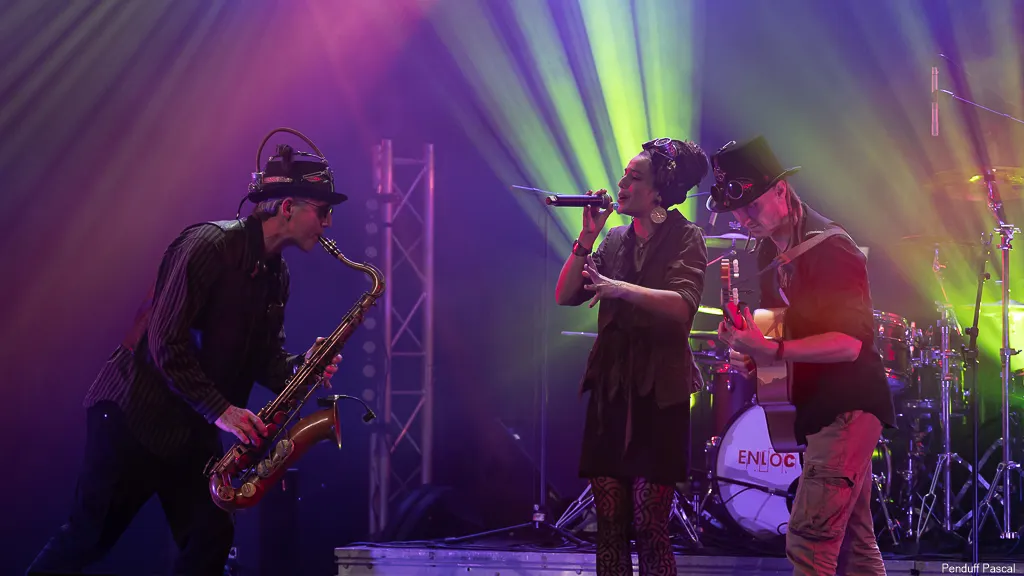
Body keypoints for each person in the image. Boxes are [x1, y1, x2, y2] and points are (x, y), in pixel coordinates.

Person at [27, 139, 348, 575]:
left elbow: (265, 359)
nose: (328, 223)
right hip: (134, 417)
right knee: (87, 539)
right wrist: (224, 412)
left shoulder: (278, 275)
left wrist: (303, 366)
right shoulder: (208, 245)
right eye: (322, 210)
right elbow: (166, 343)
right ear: (288, 207)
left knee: (211, 539)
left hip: (193, 428)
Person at [709, 135, 896, 575]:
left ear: (780, 190)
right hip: (820, 411)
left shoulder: (832, 249)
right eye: (736, 210)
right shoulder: (768, 252)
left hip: (848, 408)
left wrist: (770, 348)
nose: (743, 219)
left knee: (810, 542)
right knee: (854, 545)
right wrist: (753, 357)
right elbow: (784, 332)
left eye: (751, 206)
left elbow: (849, 344)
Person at [555, 138, 710, 576]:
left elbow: (682, 305)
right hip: (612, 385)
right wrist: (587, 237)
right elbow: (565, 294)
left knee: (649, 525)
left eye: (634, 177)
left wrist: (620, 288)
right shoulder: (615, 238)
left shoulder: (687, 237)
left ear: (660, 191)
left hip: (659, 391)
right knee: (609, 524)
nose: (621, 184)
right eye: (624, 175)